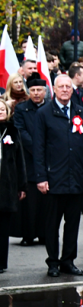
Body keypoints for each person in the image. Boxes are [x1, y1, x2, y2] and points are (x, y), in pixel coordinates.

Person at [34, 74, 83, 277]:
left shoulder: (81, 113)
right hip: (53, 179)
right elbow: (39, 148)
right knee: (52, 225)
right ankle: (53, 262)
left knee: (73, 224)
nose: (65, 90)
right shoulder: (44, 113)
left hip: (76, 178)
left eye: (68, 86)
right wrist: (41, 177)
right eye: (61, 87)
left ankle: (68, 261)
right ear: (54, 88)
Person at [14, 73, 48, 247]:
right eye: (33, 90)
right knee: (30, 203)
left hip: (48, 160)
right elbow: (20, 131)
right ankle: (28, 235)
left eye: (39, 90)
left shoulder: (50, 108)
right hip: (28, 159)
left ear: (45, 91)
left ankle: (44, 234)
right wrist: (36, 148)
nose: (36, 93)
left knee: (45, 203)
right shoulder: (21, 109)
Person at [0, 99, 26, 273]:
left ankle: (1, 262)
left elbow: (20, 161)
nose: (0, 111)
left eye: (2, 109)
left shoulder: (13, 130)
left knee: (3, 228)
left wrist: (21, 186)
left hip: (7, 187)